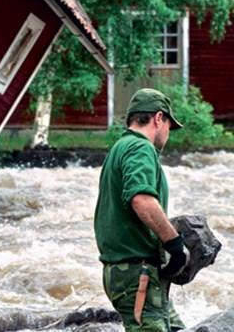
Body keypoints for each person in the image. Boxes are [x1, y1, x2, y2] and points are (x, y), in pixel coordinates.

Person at [94, 88, 189, 331]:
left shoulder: (120, 148)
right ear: (159, 118)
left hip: (132, 273)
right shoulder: (140, 148)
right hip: (137, 274)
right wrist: (175, 245)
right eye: (169, 125)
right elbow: (141, 199)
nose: (168, 133)